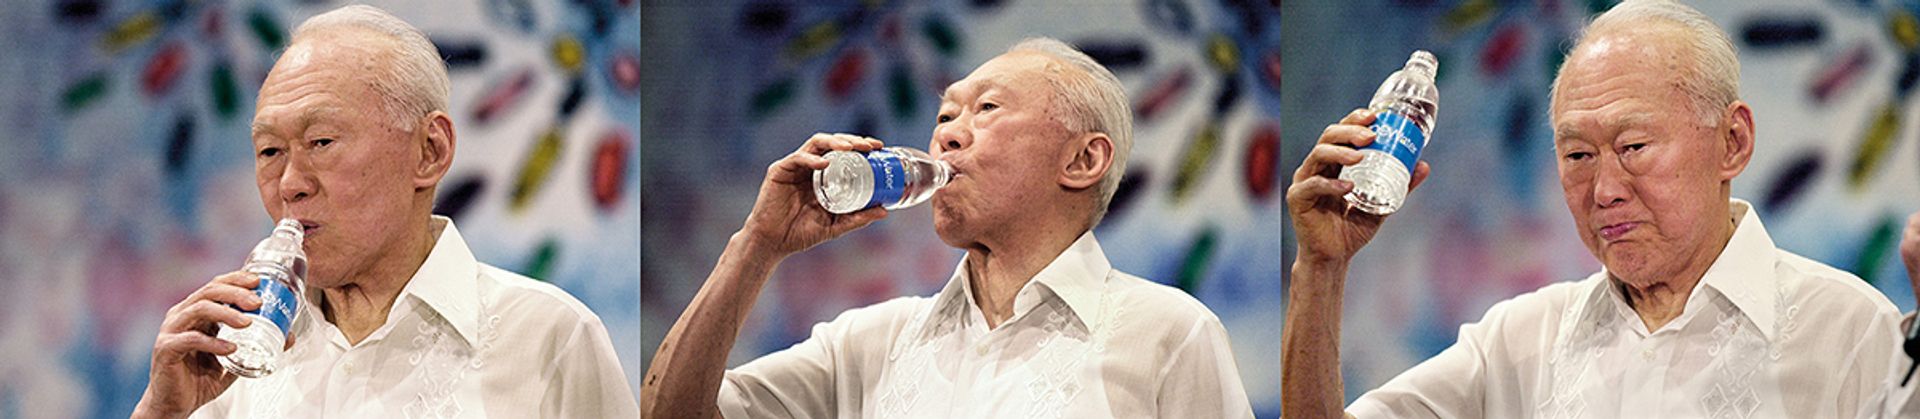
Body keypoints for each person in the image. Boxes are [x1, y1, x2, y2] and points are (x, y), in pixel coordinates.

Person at [1282, 1, 1906, 417]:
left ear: (1732, 142)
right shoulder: (1521, 342)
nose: (1604, 188)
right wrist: (1321, 268)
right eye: (1578, 155)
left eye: (1633, 147)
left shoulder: (1850, 331)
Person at [641, 38, 1254, 418]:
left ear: (1082, 160)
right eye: (944, 114)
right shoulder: (868, 343)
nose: (946, 133)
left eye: (986, 108)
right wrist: (755, 246)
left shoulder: (1169, 334)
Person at [130, 5, 637, 418]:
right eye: (269, 152)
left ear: (429, 151)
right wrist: (160, 412)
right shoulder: (228, 362)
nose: (290, 184)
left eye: (321, 141)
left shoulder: (549, 337)